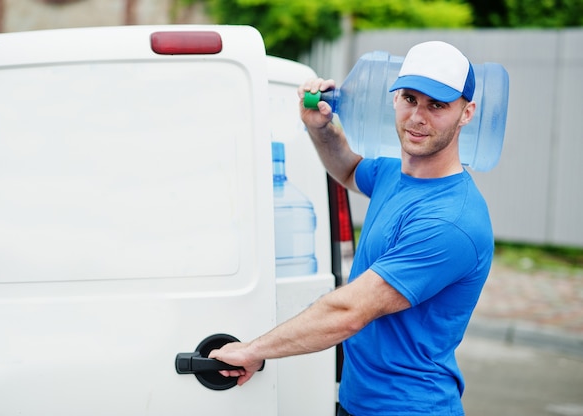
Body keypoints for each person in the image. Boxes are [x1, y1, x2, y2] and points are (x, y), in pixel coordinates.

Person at [209, 40, 493, 416]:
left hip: (409, 407)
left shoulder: (451, 222)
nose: (418, 117)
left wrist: (251, 351)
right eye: (410, 98)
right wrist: (321, 127)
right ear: (395, 98)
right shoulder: (395, 171)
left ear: (467, 112)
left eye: (437, 105)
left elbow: (348, 311)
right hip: (359, 402)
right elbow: (346, 169)